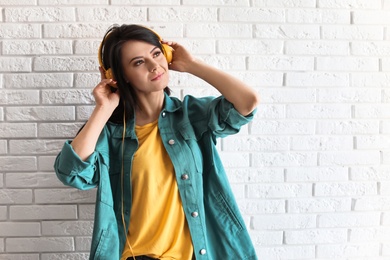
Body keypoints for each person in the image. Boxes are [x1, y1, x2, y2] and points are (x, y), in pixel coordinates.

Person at [54, 24, 259, 260]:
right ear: (119, 76)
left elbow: (247, 103)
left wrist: (191, 65)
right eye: (138, 62)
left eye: (156, 53)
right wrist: (104, 108)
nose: (154, 66)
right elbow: (70, 172)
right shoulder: (111, 135)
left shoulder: (192, 116)